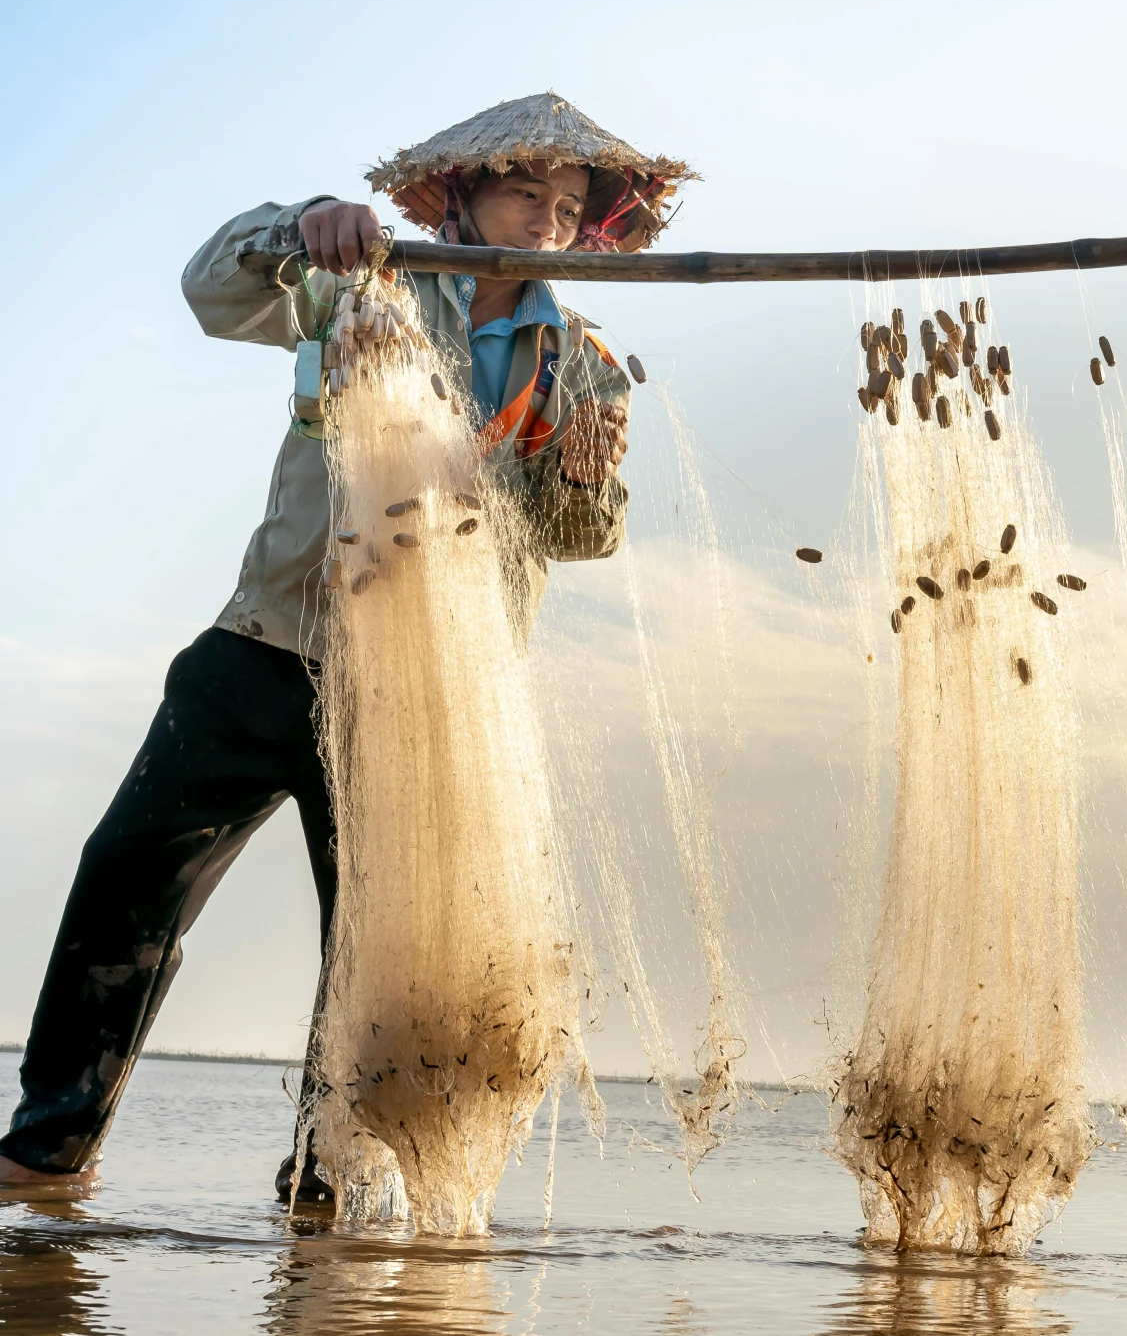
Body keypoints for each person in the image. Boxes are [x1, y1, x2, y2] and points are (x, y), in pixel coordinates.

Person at [0, 93, 691, 1202]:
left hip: (420, 698)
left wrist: (581, 475)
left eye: (570, 206)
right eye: (528, 191)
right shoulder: (366, 287)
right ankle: (47, 1150)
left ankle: (327, 1179)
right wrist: (304, 217)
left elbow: (580, 539)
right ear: (458, 194)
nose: (551, 219)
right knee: (125, 875)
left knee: (374, 951)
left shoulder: (584, 364)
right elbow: (215, 292)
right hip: (266, 645)